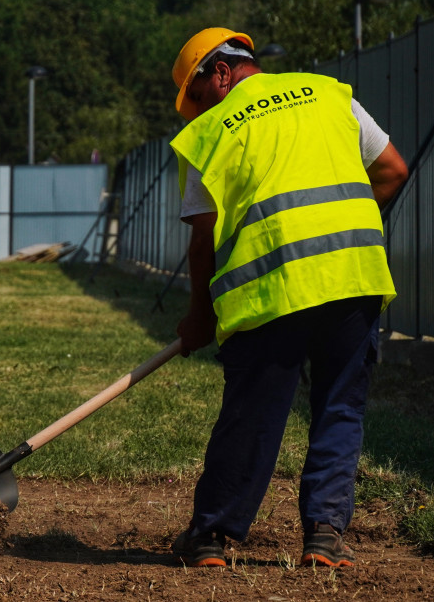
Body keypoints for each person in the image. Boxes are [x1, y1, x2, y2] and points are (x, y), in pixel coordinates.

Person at [166, 28, 409, 568]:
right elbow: (393, 171)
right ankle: (324, 536)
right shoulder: (330, 93)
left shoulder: (211, 132)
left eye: (198, 95)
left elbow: (203, 239)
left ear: (221, 72)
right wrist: (338, 227)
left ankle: (211, 538)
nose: (196, 111)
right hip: (354, 275)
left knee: (253, 410)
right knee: (340, 406)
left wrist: (199, 318)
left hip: (272, 288)